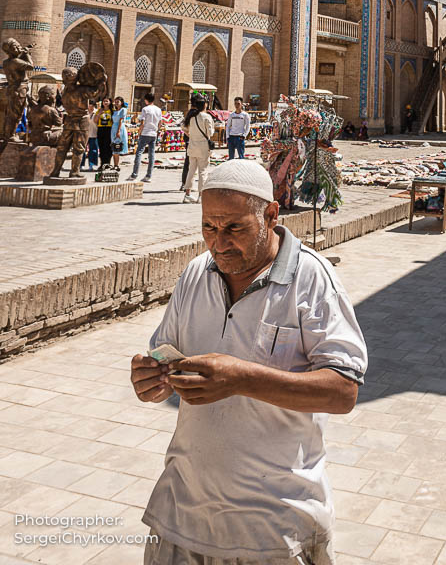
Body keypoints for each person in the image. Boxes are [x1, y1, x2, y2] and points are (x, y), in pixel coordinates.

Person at [130, 160, 367, 565]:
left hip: (273, 526)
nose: (218, 243)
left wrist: (241, 378)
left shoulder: (311, 278)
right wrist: (152, 380)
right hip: (182, 512)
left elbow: (343, 391)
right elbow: (165, 353)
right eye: (209, 227)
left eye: (234, 228)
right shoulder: (195, 274)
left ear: (271, 215)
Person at [183, 96, 215, 202]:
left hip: (192, 146)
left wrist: (192, 135)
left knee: (191, 170)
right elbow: (210, 133)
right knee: (203, 171)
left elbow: (184, 128)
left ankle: (187, 194)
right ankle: (201, 195)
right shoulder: (206, 117)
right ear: (205, 105)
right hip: (203, 148)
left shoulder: (191, 117)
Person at [128, 92, 162, 182]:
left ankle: (134, 174)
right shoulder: (158, 110)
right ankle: (149, 175)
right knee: (151, 155)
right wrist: (156, 130)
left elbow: (142, 123)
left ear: (146, 100)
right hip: (153, 133)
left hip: (145, 133)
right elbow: (160, 122)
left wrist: (139, 132)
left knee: (139, 153)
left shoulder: (145, 109)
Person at [96, 96, 114, 170]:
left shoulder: (112, 111)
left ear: (110, 102)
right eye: (104, 101)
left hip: (109, 129)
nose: (105, 103)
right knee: (101, 147)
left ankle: (107, 163)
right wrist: (99, 113)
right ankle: (102, 164)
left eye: (107, 101)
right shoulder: (100, 110)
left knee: (108, 147)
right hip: (101, 129)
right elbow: (95, 120)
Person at [111, 97, 129, 172]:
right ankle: (115, 164)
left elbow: (121, 120)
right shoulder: (115, 111)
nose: (116, 103)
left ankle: (117, 165)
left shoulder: (123, 110)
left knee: (117, 147)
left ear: (121, 102)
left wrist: (118, 131)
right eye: (115, 102)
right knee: (114, 147)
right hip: (113, 129)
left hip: (119, 128)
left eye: (118, 102)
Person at [80, 101, 99, 171]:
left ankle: (92, 165)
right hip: (84, 134)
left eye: (92, 105)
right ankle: (81, 165)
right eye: (89, 105)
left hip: (94, 133)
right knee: (82, 150)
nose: (90, 107)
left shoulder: (97, 112)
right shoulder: (84, 112)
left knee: (93, 150)